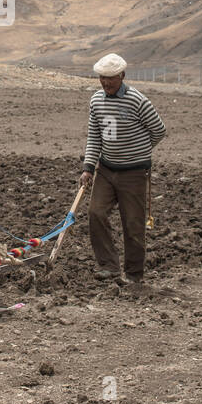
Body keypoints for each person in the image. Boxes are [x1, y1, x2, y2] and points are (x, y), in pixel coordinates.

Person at [79, 53, 166, 283]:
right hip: (106, 170)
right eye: (102, 78)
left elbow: (159, 130)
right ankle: (108, 265)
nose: (106, 82)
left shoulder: (137, 100)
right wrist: (88, 166)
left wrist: (141, 152)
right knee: (95, 213)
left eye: (111, 78)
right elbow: (94, 136)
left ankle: (134, 274)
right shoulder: (96, 101)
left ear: (122, 76)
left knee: (133, 223)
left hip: (134, 173)